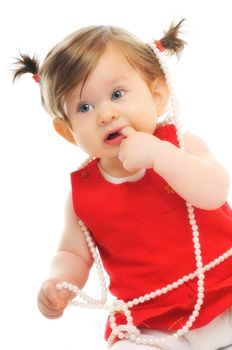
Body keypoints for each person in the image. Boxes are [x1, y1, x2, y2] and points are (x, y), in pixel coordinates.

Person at [13, 20, 232, 350]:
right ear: (68, 131)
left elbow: (215, 191)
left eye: (117, 94)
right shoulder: (82, 196)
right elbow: (72, 252)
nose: (105, 114)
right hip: (151, 320)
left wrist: (160, 156)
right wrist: (60, 282)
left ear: (157, 96)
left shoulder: (181, 144)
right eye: (84, 107)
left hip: (224, 290)